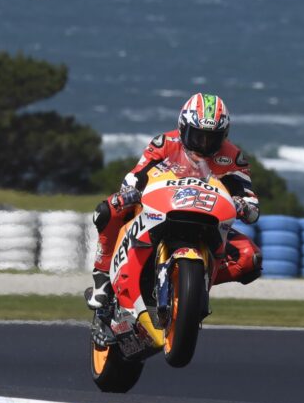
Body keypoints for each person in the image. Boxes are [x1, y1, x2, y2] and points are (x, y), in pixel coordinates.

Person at [86, 93, 262, 309]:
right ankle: (102, 275)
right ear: (182, 127)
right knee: (108, 210)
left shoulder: (233, 157)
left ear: (223, 135)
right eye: (198, 135)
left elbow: (250, 202)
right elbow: (135, 176)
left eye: (211, 138)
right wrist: (130, 192)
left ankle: (190, 284)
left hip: (207, 221)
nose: (204, 144)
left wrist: (244, 205)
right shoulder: (164, 143)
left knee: (249, 258)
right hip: (160, 212)